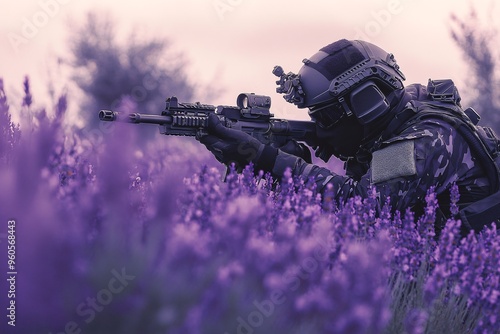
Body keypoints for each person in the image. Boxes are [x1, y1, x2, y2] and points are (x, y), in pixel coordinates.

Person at [198, 39, 500, 235]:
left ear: (366, 104)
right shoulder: (400, 113)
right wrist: (295, 159)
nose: (322, 127)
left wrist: (272, 160)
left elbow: (364, 205)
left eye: (326, 117)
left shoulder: (423, 139)